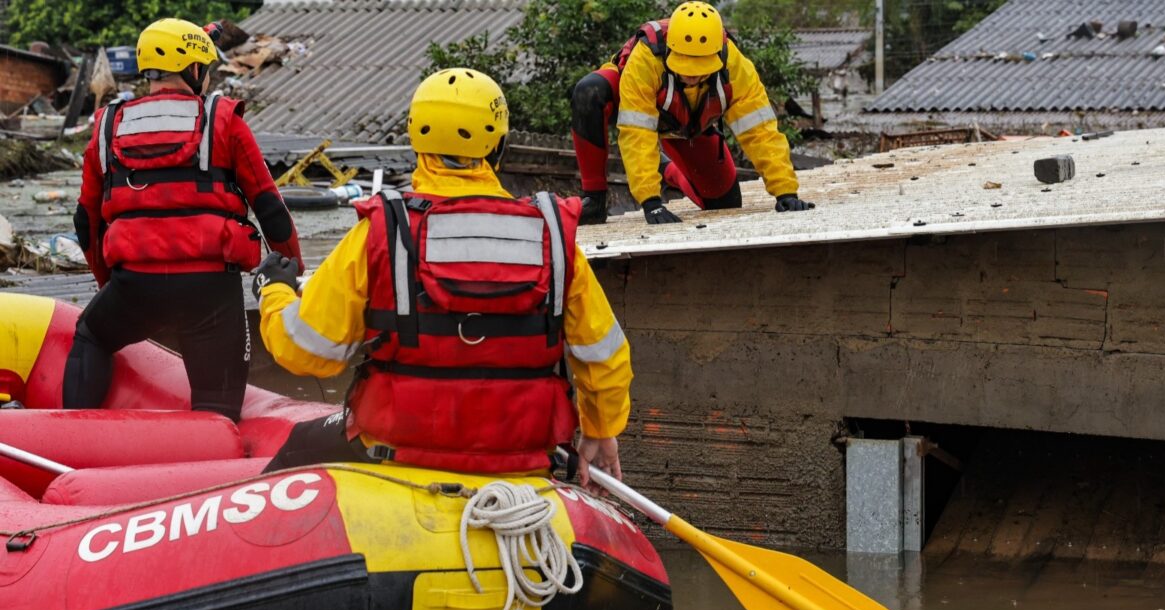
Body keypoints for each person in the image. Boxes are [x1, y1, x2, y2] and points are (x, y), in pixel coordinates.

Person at [253, 68, 630, 490]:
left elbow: (306, 351)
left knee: (300, 446)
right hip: (522, 459)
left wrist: (275, 292)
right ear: (500, 145)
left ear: (416, 142)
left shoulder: (381, 231)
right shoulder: (553, 239)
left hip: (400, 454)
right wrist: (600, 428)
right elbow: (605, 358)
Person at [65, 18, 303, 422]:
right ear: (195, 70)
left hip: (134, 286)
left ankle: (66, 437)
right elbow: (271, 211)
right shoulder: (225, 120)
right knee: (218, 410)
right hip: (210, 292)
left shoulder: (107, 126)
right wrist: (290, 274)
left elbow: (86, 222)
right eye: (205, 71)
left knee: (92, 335)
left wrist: (112, 285)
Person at [570, 1, 814, 225]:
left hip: (691, 125)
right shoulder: (647, 58)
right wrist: (650, 202)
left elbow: (760, 131)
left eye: (700, 68)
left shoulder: (735, 65)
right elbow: (637, 132)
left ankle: (666, 170)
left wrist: (785, 192)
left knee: (723, 205)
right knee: (588, 92)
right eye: (686, 65)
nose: (692, 75)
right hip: (635, 104)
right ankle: (594, 199)